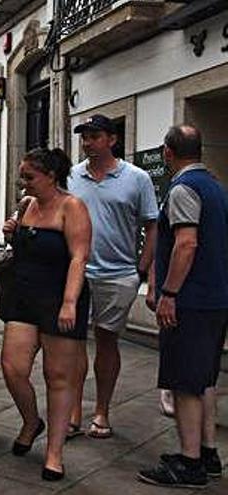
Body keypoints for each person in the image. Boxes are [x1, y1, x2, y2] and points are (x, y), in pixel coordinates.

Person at [137, 125, 228, 488]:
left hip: (190, 301)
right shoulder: (218, 188)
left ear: (167, 152)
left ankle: (189, 463)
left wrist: (169, 293)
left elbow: (185, 244)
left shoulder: (183, 189)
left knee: (186, 383)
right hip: (215, 299)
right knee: (203, 378)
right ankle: (207, 453)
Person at [66, 114, 159, 440]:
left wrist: (142, 272)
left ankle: (102, 410)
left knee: (107, 342)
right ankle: (74, 411)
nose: (87, 142)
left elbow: (152, 226)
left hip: (118, 274)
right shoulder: (73, 175)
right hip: (78, 272)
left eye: (93, 136)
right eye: (84, 136)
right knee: (73, 343)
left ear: (112, 139)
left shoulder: (137, 177)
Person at [0, 148, 91, 481]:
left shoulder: (72, 207)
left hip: (60, 297)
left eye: (29, 177)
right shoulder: (28, 206)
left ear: (51, 175)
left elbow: (79, 257)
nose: (24, 184)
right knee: (12, 366)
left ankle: (54, 453)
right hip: (24, 297)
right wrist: (13, 232)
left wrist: (70, 301)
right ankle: (30, 420)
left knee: (58, 377)